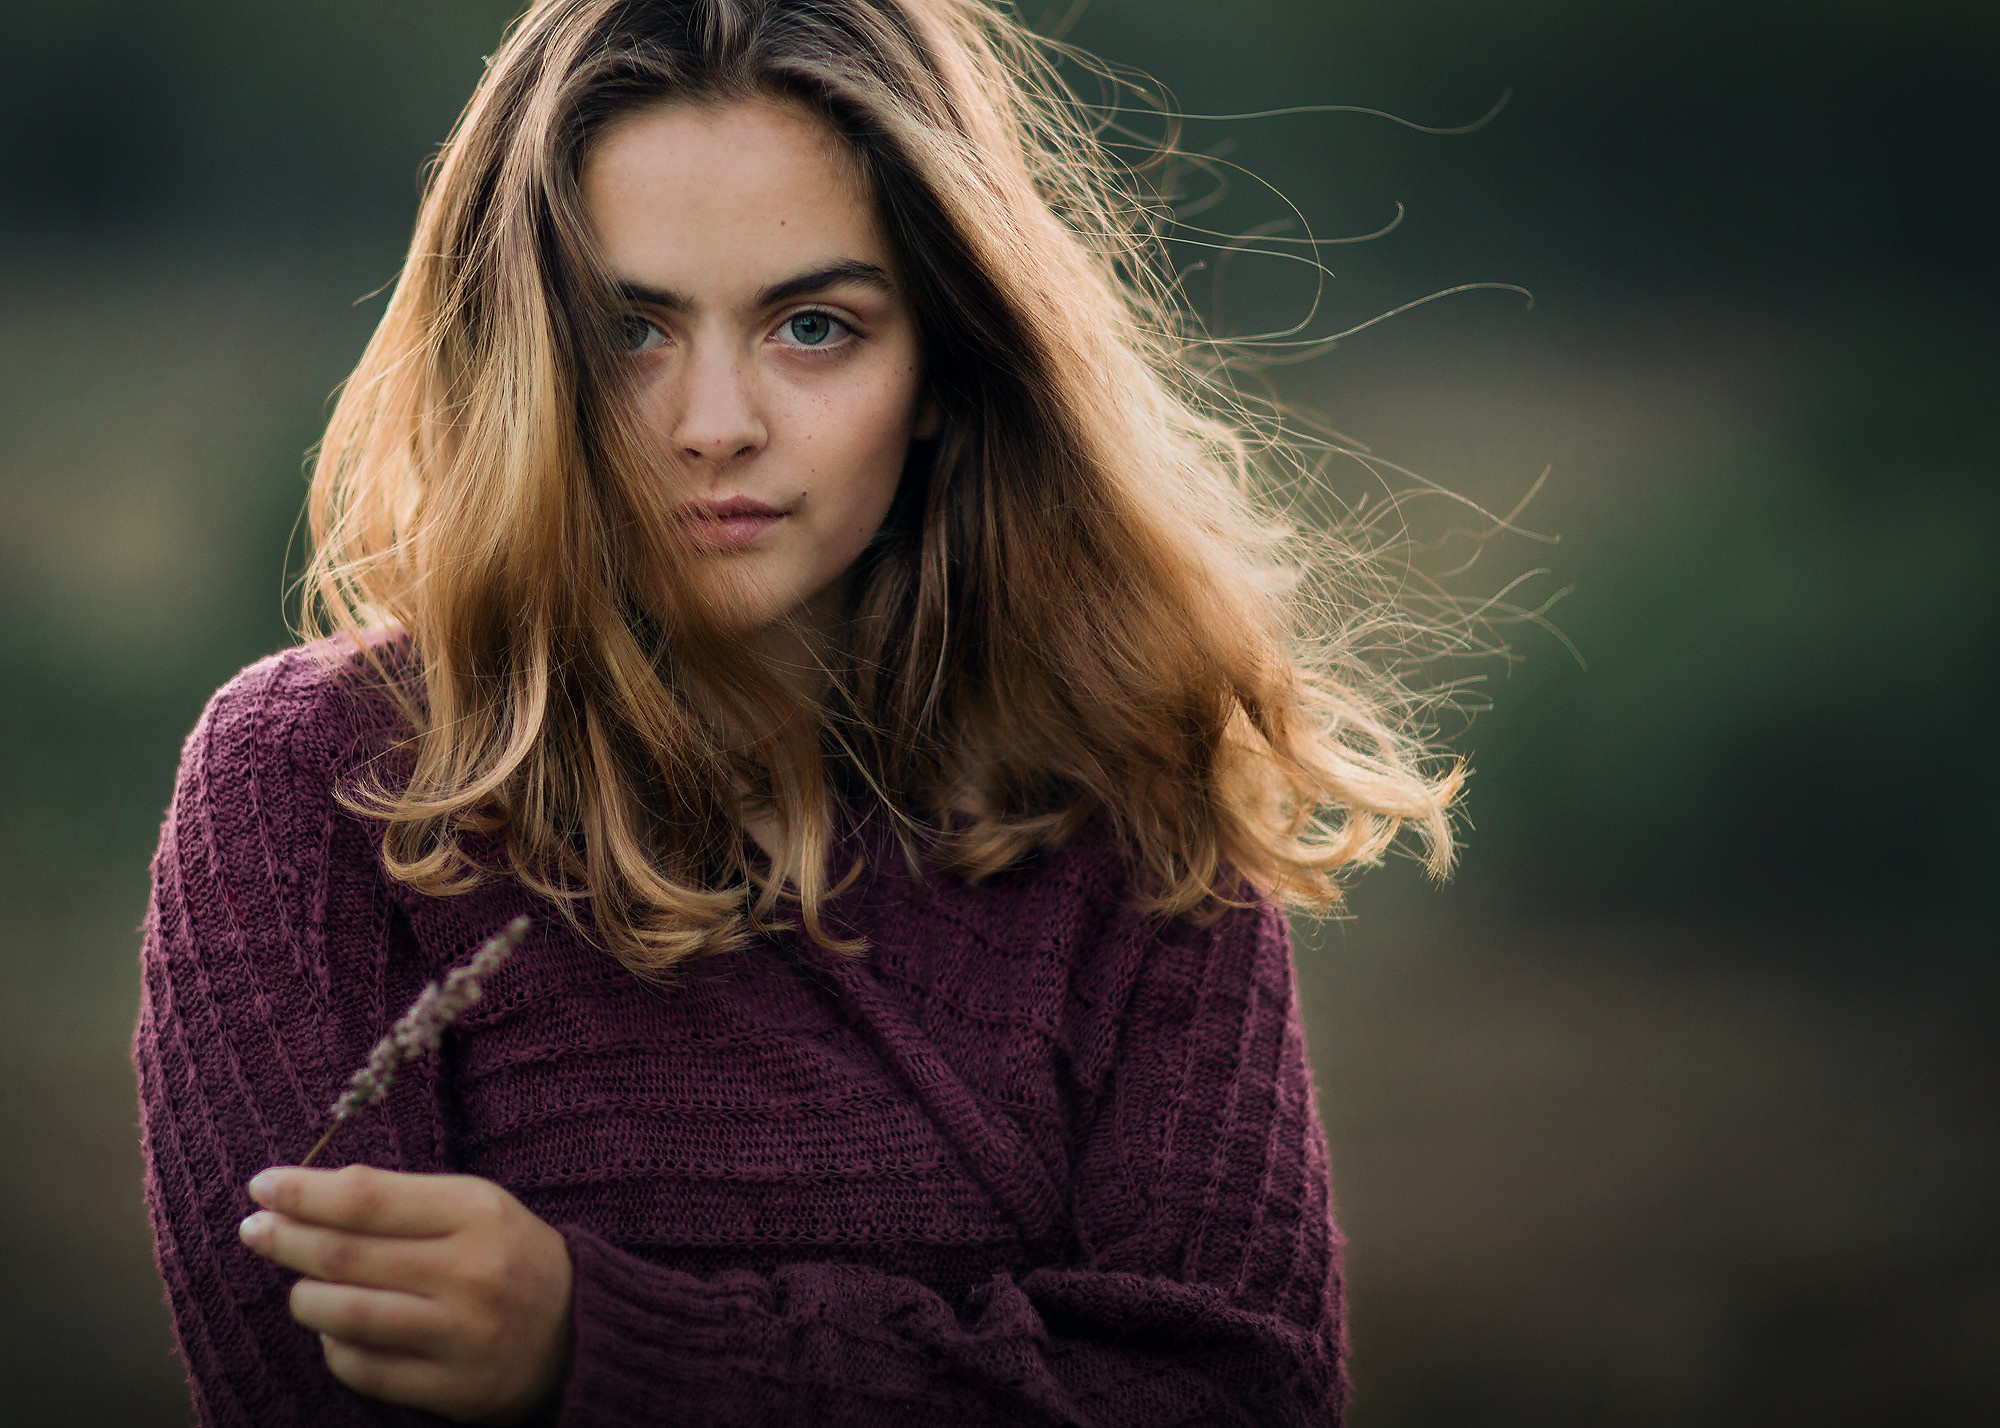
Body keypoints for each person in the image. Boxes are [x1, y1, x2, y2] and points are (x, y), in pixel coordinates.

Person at [133, 1, 1460, 1423]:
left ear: (946, 365)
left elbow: (1242, 1394)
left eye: (813, 327)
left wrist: (606, 1349)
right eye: (630, 328)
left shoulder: (1133, 809)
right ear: (516, 348)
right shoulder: (319, 790)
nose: (716, 423)